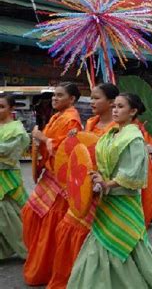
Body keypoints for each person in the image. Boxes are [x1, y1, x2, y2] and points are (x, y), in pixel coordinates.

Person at [67, 93, 152, 288]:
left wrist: (107, 184)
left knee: (127, 245)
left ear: (133, 111)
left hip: (124, 203)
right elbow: (93, 158)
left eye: (120, 107)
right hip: (106, 203)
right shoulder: (112, 134)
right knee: (98, 246)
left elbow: (133, 174)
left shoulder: (134, 138)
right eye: (114, 106)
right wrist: (76, 139)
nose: (115, 110)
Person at [48, 83, 118, 289]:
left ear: (112, 103)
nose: (92, 102)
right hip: (82, 187)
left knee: (87, 238)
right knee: (66, 229)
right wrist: (72, 142)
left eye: (97, 98)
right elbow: (77, 154)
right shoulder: (89, 124)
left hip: (102, 190)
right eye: (92, 98)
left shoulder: (117, 129)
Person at [22, 82, 83, 286]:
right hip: (49, 175)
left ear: (72, 99)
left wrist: (42, 137)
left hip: (60, 179)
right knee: (31, 214)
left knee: (51, 225)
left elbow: (67, 149)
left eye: (59, 95)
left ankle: (48, 269)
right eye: (54, 95)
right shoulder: (58, 116)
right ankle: (43, 267)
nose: (54, 99)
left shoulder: (72, 120)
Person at [0, 95, 30, 260]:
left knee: (10, 215)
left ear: (12, 109)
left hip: (8, 177)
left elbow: (9, 152)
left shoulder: (17, 130)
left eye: (2, 106)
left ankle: (27, 250)